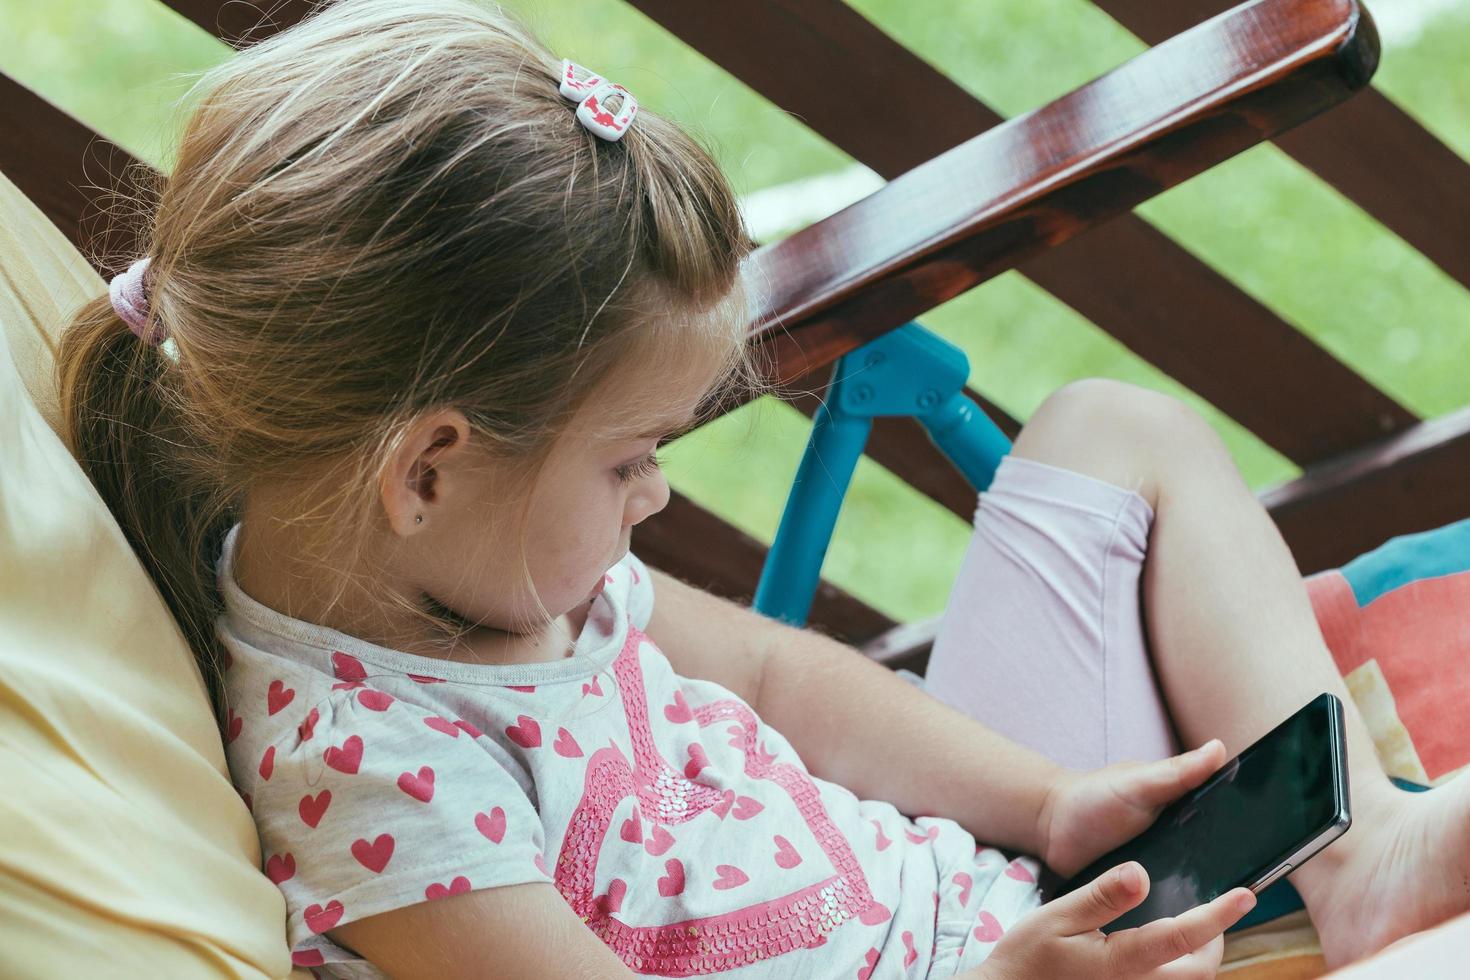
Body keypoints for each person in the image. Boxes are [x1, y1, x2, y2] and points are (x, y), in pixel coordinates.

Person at [54, 1, 1470, 977]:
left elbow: (784, 687)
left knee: (1113, 429)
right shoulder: (369, 782)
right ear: (427, 466)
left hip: (984, 889)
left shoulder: (475, 560)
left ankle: (1361, 859)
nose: (655, 495)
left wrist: (1045, 804)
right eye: (626, 456)